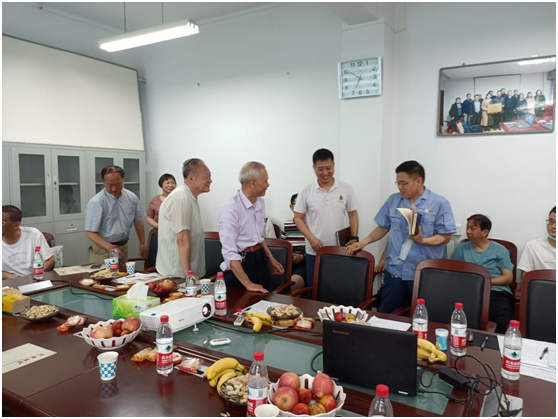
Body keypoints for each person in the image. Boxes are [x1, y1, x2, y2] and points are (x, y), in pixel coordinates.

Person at [347, 161, 456, 313]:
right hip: (395, 271)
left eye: (404, 183)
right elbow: (383, 227)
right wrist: (363, 242)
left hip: (423, 273)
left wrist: (423, 240)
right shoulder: (394, 200)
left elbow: (445, 237)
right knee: (386, 316)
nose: (400, 187)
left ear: (418, 181)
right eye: (397, 183)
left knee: (420, 318)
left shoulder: (439, 203)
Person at [294, 149, 359, 287]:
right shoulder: (306, 191)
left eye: (328, 168)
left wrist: (354, 237)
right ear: (314, 168)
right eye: (320, 169)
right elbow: (298, 218)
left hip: (339, 250)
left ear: (334, 165)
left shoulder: (346, 188)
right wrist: (311, 239)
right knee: (314, 289)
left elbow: (353, 214)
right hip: (314, 251)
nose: (325, 173)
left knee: (337, 288)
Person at [218, 162, 284, 294]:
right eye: (265, 181)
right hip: (240, 262)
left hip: (259, 258)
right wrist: (248, 284)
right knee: (243, 302)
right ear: (253, 182)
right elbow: (230, 253)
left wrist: (270, 257)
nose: (268, 185)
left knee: (267, 299)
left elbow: (259, 237)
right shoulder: (230, 208)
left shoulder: (260, 202)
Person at [451, 215, 514, 334]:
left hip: (496, 292)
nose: (468, 231)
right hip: (469, 292)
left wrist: (484, 282)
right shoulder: (461, 249)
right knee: (459, 316)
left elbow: (508, 278)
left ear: (485, 232)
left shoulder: (500, 250)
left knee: (504, 321)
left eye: (472, 228)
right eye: (467, 228)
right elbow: (453, 272)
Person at [156, 159, 211, 279]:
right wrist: (189, 275)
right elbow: (182, 240)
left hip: (186, 274)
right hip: (178, 275)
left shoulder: (190, 196)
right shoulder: (181, 199)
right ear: (191, 178)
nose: (210, 180)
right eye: (206, 177)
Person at [85, 165, 146, 269]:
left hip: (123, 246)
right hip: (103, 249)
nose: (114, 189)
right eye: (109, 185)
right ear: (104, 182)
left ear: (123, 180)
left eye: (118, 184)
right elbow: (90, 232)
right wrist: (110, 248)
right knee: (104, 276)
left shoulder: (131, 197)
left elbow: (139, 221)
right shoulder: (97, 202)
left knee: (123, 276)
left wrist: (142, 243)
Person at [2, 205, 54, 279]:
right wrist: (18, 279)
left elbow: (50, 260)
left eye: (2, 222)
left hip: (34, 278)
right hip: (9, 281)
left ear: (16, 224)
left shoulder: (34, 234)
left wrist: (36, 275)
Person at [518, 206, 556, 278]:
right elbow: (525, 277)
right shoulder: (533, 246)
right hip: (541, 285)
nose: (553, 226)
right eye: (551, 221)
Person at [281, 194, 307, 289]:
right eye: (297, 204)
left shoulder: (314, 224)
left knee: (292, 284)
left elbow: (319, 249)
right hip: (289, 259)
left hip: (306, 260)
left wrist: (303, 257)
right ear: (291, 207)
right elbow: (282, 245)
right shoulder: (287, 224)